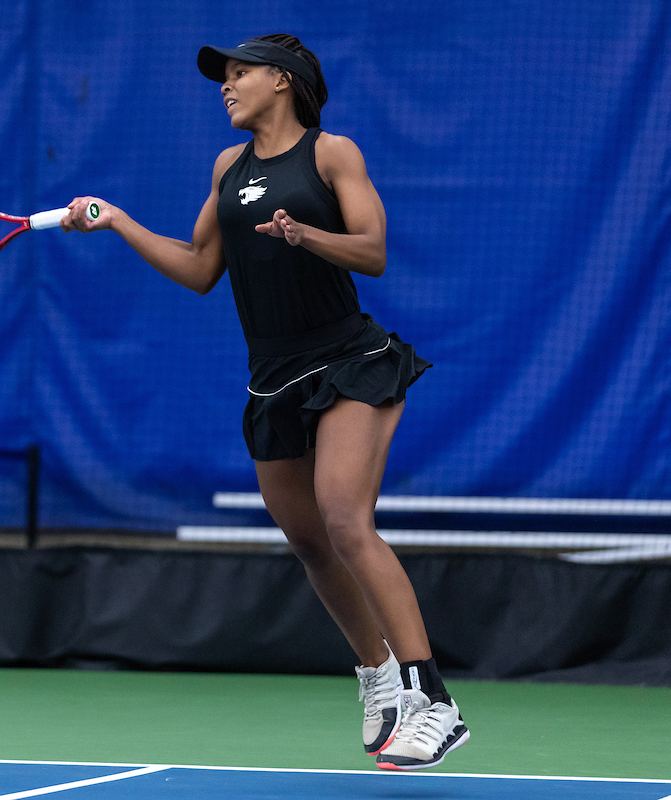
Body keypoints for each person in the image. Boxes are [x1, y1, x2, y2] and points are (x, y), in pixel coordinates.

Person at [61, 33, 468, 771]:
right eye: (225, 75)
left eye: (239, 73)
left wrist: (305, 234)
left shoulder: (331, 154)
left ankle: (433, 701)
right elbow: (198, 268)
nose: (226, 85)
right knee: (308, 538)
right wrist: (117, 221)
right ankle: (376, 677)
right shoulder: (227, 167)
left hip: (350, 362)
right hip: (272, 378)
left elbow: (373, 250)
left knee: (345, 519)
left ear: (283, 81)